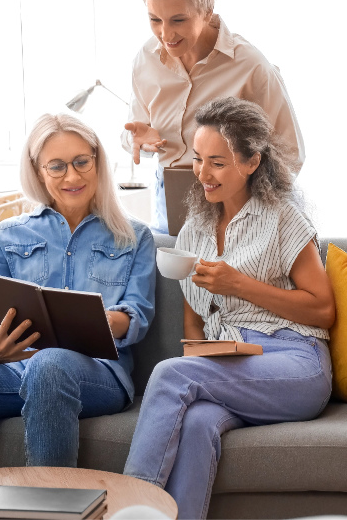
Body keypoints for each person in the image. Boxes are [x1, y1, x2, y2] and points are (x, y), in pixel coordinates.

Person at [123, 97, 334, 519]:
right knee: (199, 422)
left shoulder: (282, 219)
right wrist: (198, 352)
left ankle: (131, 508)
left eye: (217, 163)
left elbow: (323, 309)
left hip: (295, 361)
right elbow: (192, 316)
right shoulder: (197, 227)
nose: (202, 173)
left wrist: (239, 284)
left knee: (168, 373)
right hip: (233, 362)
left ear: (252, 162)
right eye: (198, 159)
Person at [0, 113, 156, 468]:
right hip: (14, 367)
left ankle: (48, 505)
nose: (72, 176)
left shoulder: (135, 236)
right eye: (57, 166)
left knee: (50, 364)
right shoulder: (6, 236)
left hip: (98, 373)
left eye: (81, 162)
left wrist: (104, 321)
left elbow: (137, 314)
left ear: (98, 161)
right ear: (38, 171)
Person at [121, 0, 305, 233]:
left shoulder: (251, 67)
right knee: (176, 277)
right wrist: (141, 142)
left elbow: (291, 154)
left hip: (238, 201)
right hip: (169, 197)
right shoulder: (145, 59)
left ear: (207, 12)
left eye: (178, 20)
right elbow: (133, 135)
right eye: (155, 20)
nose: (166, 34)